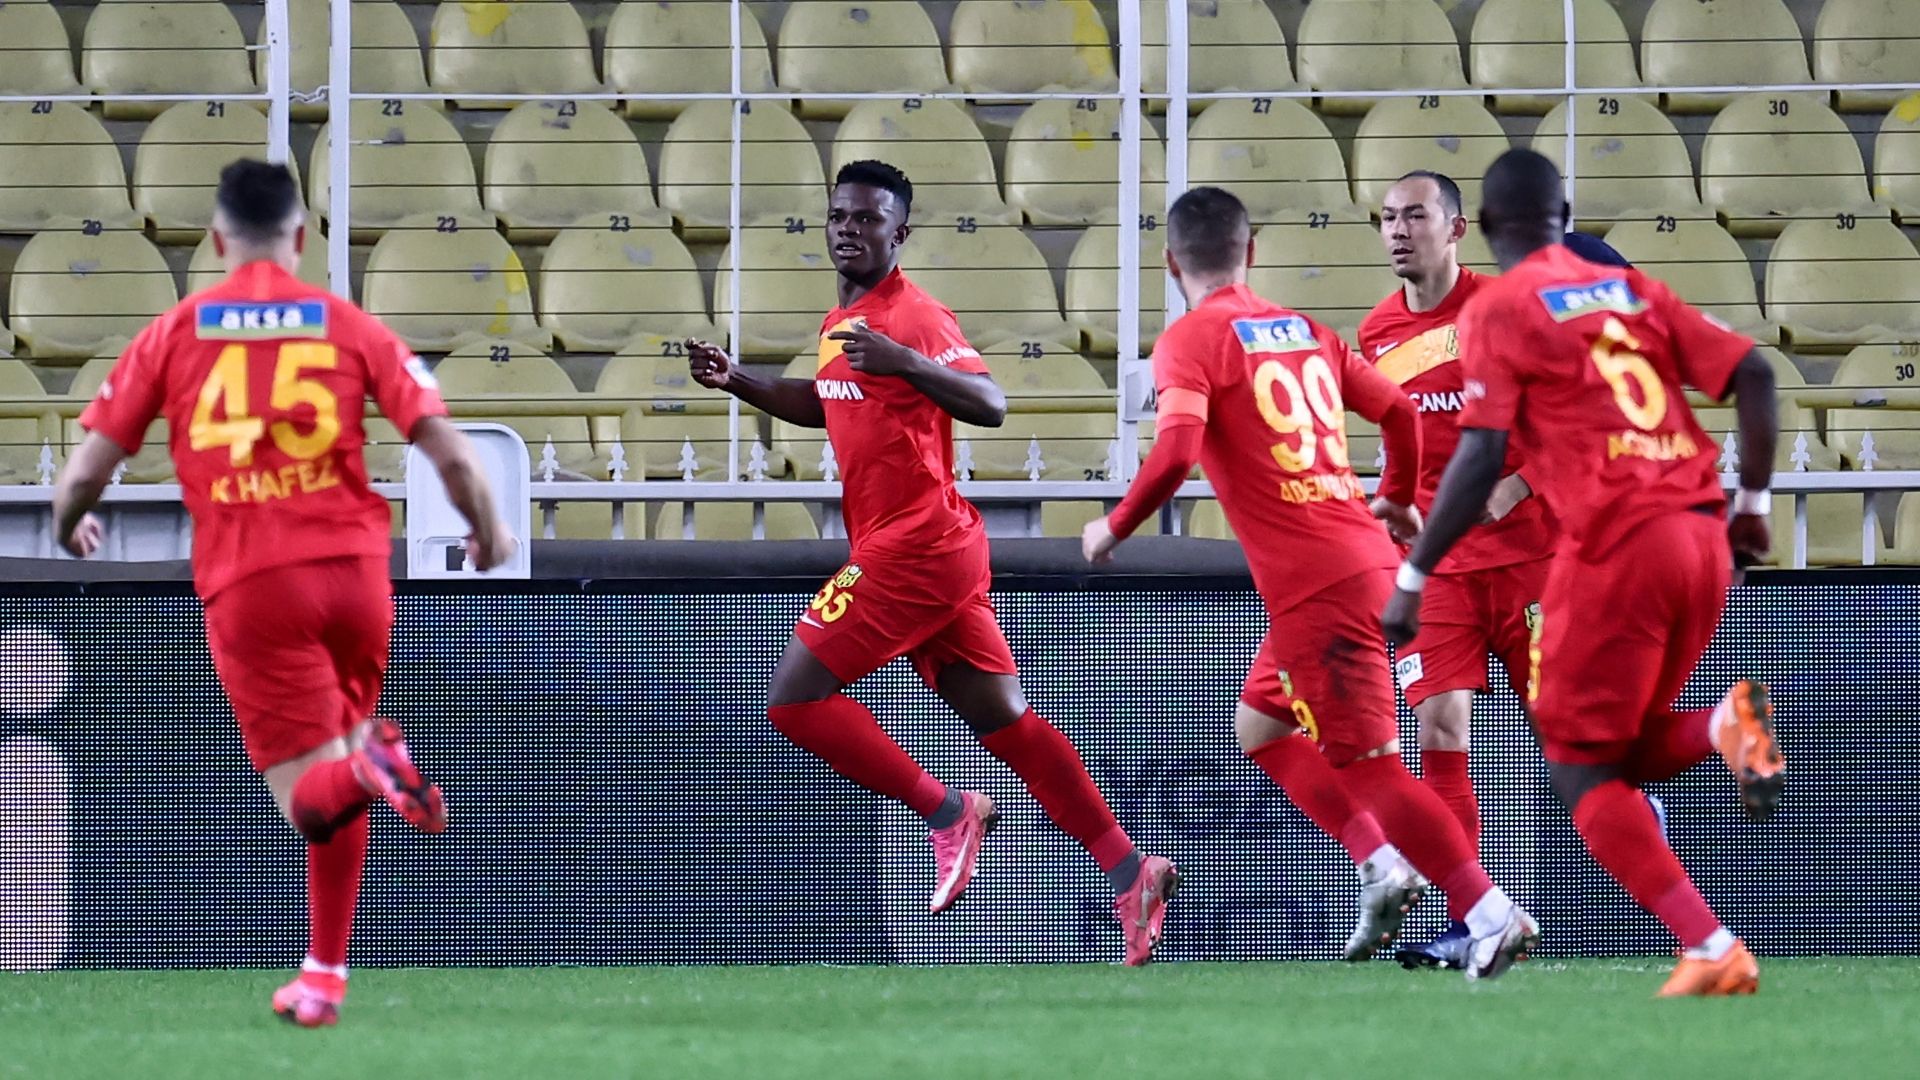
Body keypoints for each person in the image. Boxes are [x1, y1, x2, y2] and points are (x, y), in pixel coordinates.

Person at [51, 160, 516, 1026]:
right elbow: (449, 452)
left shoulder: (174, 331)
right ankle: (324, 975)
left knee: (312, 797)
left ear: (217, 241)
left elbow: (86, 471)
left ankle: (375, 772)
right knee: (345, 755)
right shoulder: (349, 325)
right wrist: (488, 529)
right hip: (356, 575)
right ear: (301, 239)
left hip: (254, 580)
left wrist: (66, 524)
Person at [686, 160, 1177, 964]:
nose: (849, 228)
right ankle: (1130, 871)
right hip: (930, 551)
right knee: (1006, 721)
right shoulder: (843, 326)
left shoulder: (912, 317)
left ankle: (948, 812)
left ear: (899, 233)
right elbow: (829, 402)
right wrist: (737, 379)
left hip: (915, 547)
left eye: (868, 219)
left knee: (794, 699)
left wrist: (908, 361)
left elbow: (991, 403)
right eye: (840, 215)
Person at [1083, 185, 1537, 980]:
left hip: (1315, 586)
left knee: (1372, 767)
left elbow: (1179, 449)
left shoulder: (1189, 340)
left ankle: (1489, 914)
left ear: (1169, 264)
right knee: (1259, 728)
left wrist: (1113, 526)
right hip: (1362, 555)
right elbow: (1398, 412)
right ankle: (1381, 864)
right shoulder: (1306, 330)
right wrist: (1394, 496)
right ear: (1250, 252)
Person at [1381, 149, 1786, 997]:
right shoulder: (1631, 290)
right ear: (1565, 217)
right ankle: (1720, 732)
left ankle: (1708, 945)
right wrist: (1751, 500)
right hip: (1704, 534)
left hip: (1605, 548)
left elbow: (1484, 452)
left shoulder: (1500, 306)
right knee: (1619, 746)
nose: (1397, 231)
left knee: (1577, 764)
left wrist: (1412, 570)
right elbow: (1753, 369)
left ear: (1479, 230)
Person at [1357, 171, 1555, 968]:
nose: (1399, 230)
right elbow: (1397, 442)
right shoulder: (1375, 333)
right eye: (1388, 219)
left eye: (1415, 216)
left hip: (1531, 559)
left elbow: (1568, 413)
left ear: (1457, 227)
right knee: (1440, 726)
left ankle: (1660, 833)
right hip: (1434, 568)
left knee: (1569, 734)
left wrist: (1515, 483)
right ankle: (1472, 917)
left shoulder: (1503, 308)